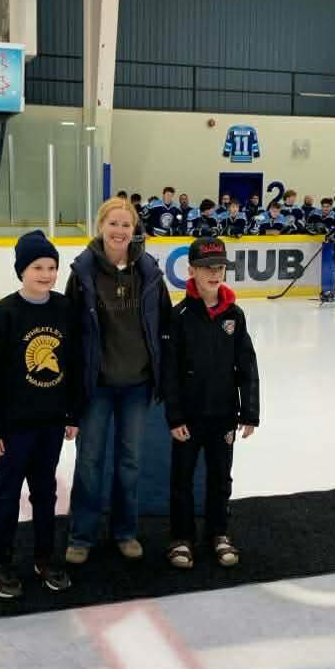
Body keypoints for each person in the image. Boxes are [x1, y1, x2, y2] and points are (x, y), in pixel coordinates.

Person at [64, 198, 172, 563]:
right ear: (100, 226)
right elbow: (71, 330)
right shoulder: (82, 273)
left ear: (134, 229)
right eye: (113, 223)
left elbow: (165, 324)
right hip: (97, 386)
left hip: (136, 386)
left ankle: (125, 532)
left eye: (126, 225)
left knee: (129, 462)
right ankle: (81, 535)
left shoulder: (150, 272)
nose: (120, 231)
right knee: (89, 461)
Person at [0, 231, 78, 599]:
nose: (47, 274)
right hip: (15, 425)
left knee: (45, 491)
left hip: (50, 421)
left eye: (52, 267)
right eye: (38, 267)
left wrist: (73, 413)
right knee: (6, 492)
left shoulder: (64, 308)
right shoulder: (6, 312)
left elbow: (74, 364)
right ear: (22, 270)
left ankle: (44, 556)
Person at [162, 236, 259, 570]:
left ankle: (218, 532)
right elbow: (169, 372)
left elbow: (247, 364)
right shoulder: (179, 316)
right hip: (188, 417)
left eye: (218, 267)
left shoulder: (235, 315)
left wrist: (250, 411)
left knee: (221, 478)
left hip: (222, 416)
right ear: (191, 270)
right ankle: (181, 537)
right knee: (182, 479)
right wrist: (174, 417)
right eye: (205, 267)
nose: (213, 273)